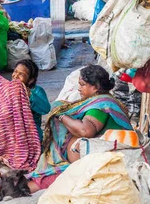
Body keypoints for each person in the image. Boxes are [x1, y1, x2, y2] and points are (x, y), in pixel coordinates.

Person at [27, 64, 133, 192]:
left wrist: (61, 116)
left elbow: (85, 130)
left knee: (44, 182)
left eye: (82, 84)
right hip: (91, 159)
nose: (79, 89)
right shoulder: (100, 100)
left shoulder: (101, 105)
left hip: (101, 161)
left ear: (95, 87)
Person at [12, 59, 51, 142]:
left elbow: (46, 108)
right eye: (15, 71)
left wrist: (29, 95)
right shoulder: (8, 89)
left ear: (31, 80)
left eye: (21, 74)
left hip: (31, 134)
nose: (15, 76)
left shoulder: (36, 91)